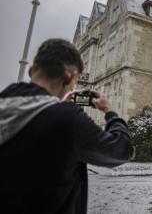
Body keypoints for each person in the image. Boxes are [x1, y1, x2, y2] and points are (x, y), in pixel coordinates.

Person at [0, 39, 132, 214]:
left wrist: (59, 106)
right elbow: (120, 150)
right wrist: (110, 112)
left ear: (32, 71)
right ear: (69, 76)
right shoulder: (68, 120)